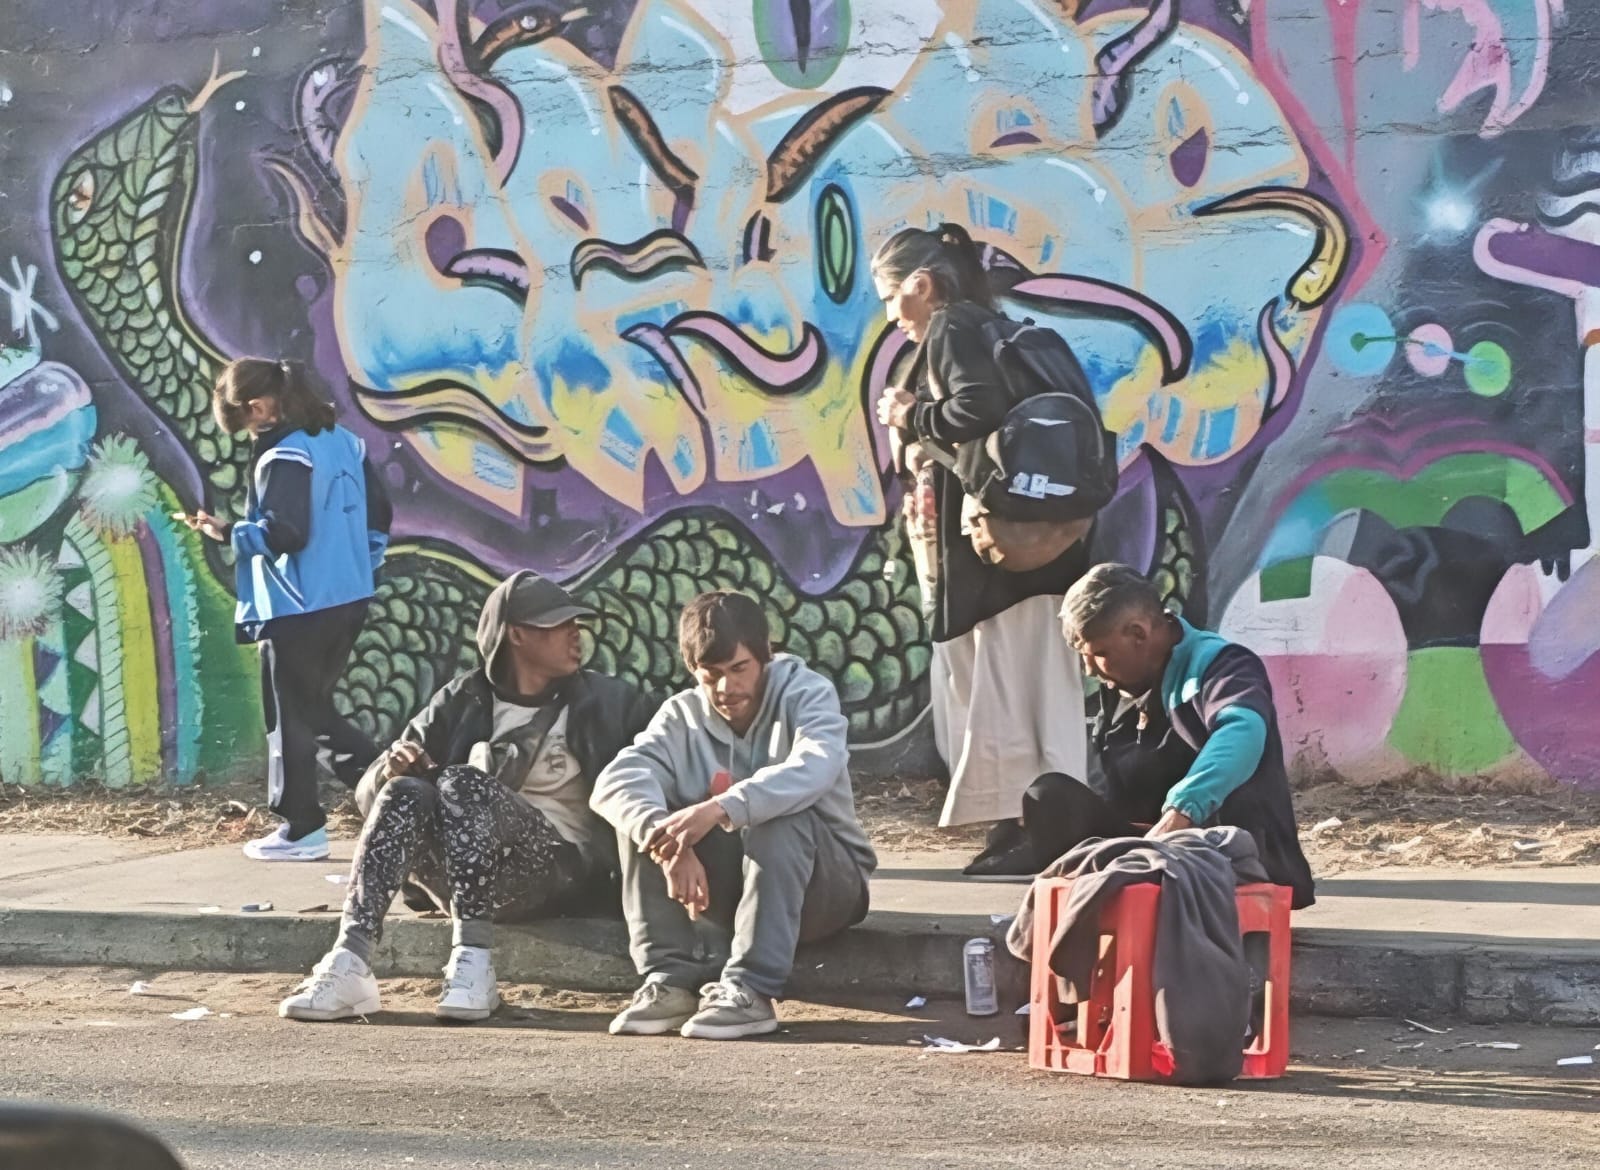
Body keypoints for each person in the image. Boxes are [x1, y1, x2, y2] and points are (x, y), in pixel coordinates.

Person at [277, 570, 657, 1022]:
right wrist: (389, 769)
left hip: (561, 873)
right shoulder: (462, 700)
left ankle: (473, 962)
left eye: (576, 624)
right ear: (516, 635)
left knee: (461, 782)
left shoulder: (609, 702)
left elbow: (670, 751)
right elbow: (370, 796)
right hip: (463, 878)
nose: (575, 634)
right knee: (403, 790)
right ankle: (350, 961)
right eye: (559, 625)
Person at [870, 224, 1089, 875]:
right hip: (1029, 545)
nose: (890, 316)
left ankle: (1032, 829)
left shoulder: (951, 327)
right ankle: (1031, 824)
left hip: (991, 556)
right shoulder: (988, 325)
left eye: (890, 298)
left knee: (997, 684)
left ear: (921, 284)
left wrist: (909, 415)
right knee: (1028, 684)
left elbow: (976, 409)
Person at [591, 592, 876, 1040]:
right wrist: (669, 844)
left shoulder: (806, 693)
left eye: (739, 668)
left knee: (778, 815)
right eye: (711, 674)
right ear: (693, 670)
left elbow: (817, 764)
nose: (726, 687)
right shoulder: (681, 715)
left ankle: (750, 989)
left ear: (765, 655)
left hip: (827, 889)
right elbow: (615, 780)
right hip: (732, 895)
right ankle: (669, 981)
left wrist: (720, 808)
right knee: (645, 821)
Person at [994, 563, 1315, 907]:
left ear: (1138, 633)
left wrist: (1183, 809)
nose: (1089, 670)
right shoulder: (1120, 687)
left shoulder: (1223, 666)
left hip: (1224, 849)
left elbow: (1243, 731)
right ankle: (1109, 906)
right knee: (1048, 796)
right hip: (1151, 851)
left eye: (1099, 654)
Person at [183, 357, 391, 862]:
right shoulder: (344, 442)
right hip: (347, 598)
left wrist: (228, 532)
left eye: (244, 422)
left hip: (298, 605)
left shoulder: (286, 454)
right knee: (314, 711)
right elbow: (380, 513)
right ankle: (395, 793)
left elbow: (286, 532)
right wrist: (359, 566)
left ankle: (302, 828)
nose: (248, 432)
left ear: (258, 407)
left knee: (291, 716)